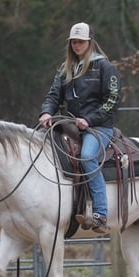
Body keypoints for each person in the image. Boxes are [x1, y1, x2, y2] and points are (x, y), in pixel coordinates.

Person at [39, 22, 122, 233]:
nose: (77, 45)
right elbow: (53, 95)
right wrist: (47, 112)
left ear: (90, 42)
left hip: (99, 127)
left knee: (86, 156)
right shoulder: (66, 69)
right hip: (70, 125)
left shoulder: (104, 67)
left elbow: (112, 99)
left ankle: (100, 214)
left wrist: (90, 119)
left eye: (81, 42)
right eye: (74, 42)